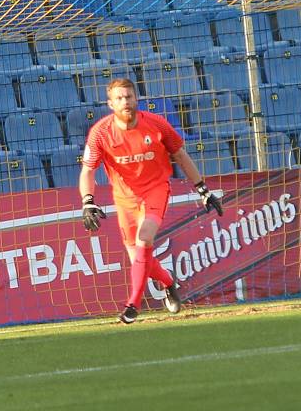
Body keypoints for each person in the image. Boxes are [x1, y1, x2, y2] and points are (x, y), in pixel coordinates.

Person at [79, 78, 223, 324]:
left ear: (136, 99)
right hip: (124, 199)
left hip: (156, 189)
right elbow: (88, 170)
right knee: (138, 256)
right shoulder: (100, 133)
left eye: (129, 96)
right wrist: (87, 201)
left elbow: (179, 154)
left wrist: (203, 189)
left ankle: (132, 304)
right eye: (119, 98)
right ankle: (168, 282)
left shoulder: (157, 125)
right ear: (110, 104)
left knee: (144, 238)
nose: (125, 101)